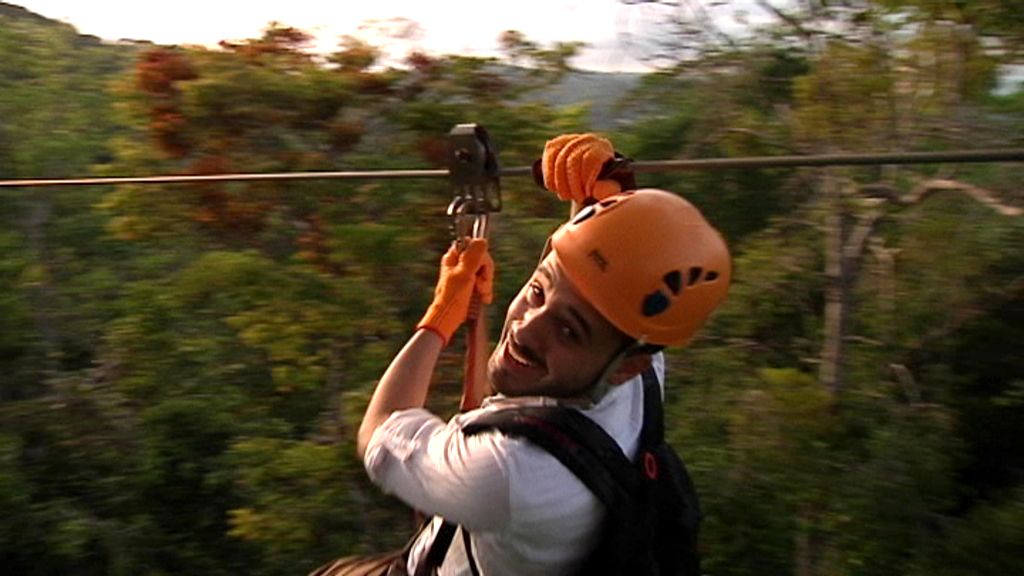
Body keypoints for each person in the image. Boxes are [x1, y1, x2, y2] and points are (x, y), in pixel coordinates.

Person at [312, 134, 731, 576]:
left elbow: (380, 434)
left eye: (569, 330)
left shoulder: (514, 473)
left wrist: (439, 319)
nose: (527, 326)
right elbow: (599, 279)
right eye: (537, 290)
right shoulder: (634, 372)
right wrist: (600, 190)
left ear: (628, 365)